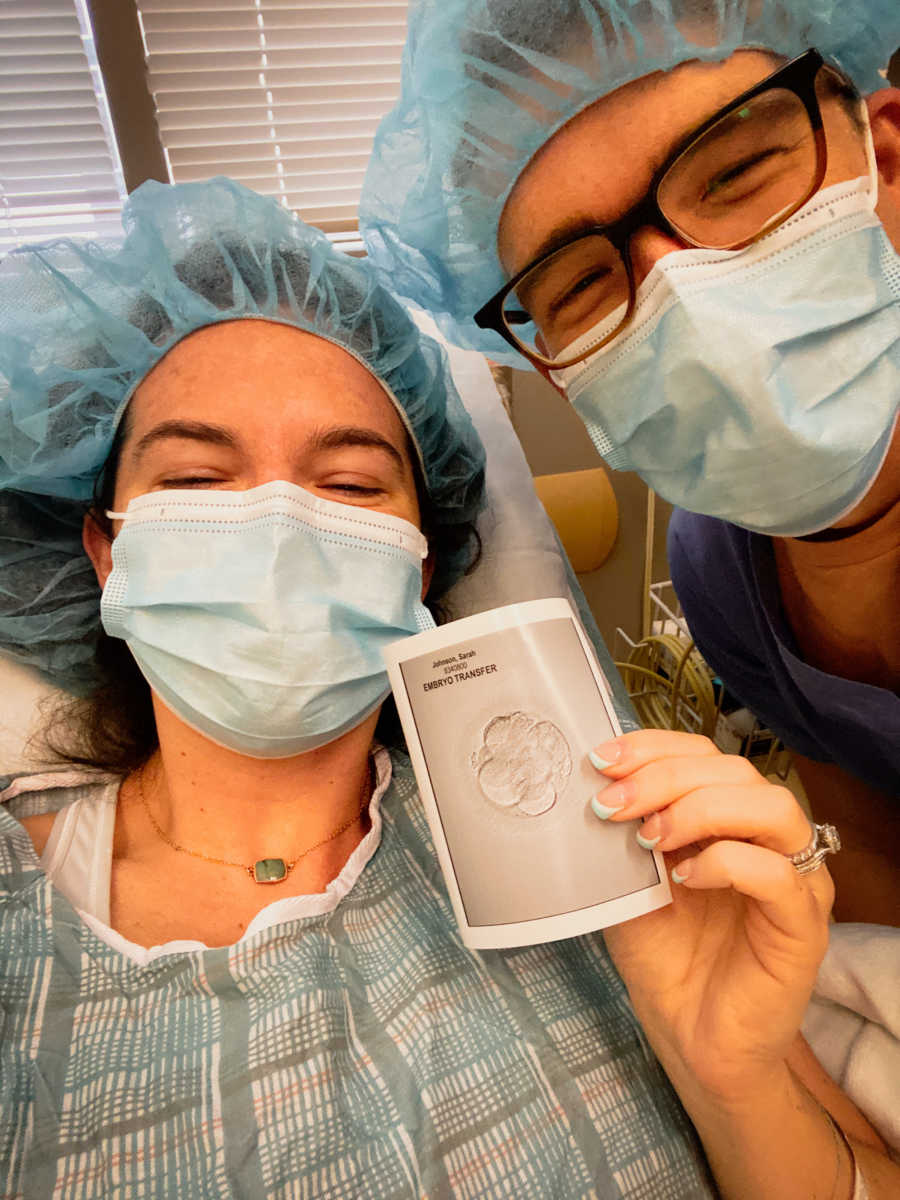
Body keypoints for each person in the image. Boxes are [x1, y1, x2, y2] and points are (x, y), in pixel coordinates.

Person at [0, 176, 894, 1198]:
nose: (281, 530)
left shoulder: (593, 844)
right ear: (106, 552)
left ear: (421, 564)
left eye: (348, 484)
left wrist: (732, 1081)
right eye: (199, 481)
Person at [360, 0, 900, 926]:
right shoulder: (721, 575)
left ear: (885, 157)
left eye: (734, 174)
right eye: (579, 283)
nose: (681, 295)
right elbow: (877, 863)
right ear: (561, 375)